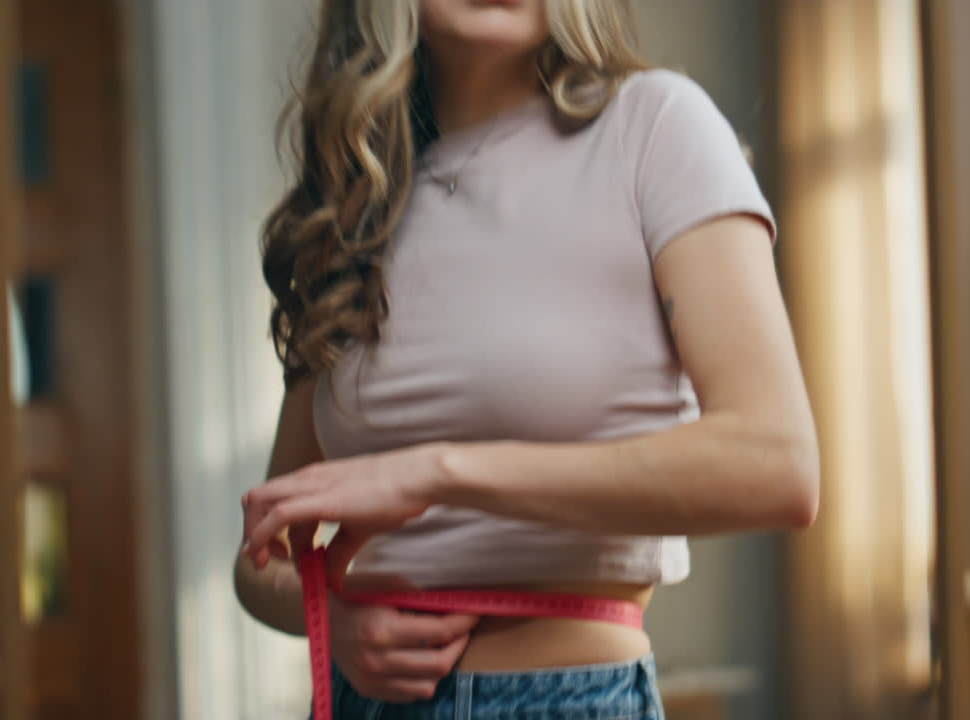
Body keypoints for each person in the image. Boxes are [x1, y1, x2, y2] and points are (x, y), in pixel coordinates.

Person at [235, 0, 819, 717]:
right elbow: (263, 555)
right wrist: (336, 622)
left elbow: (777, 466)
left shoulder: (657, 128)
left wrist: (437, 471)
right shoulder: (352, 206)